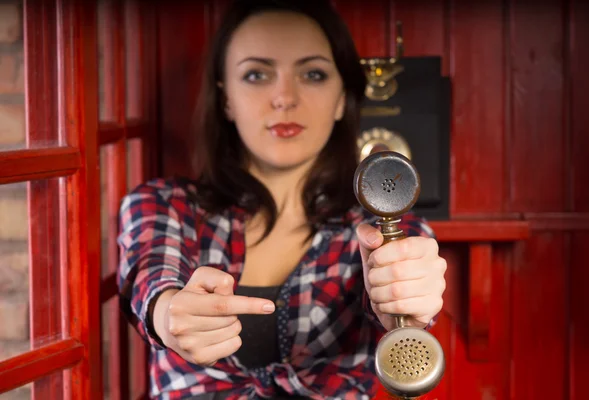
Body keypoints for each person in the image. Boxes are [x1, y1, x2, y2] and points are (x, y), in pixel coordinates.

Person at [117, 0, 446, 399]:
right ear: (225, 99)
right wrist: (169, 314)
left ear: (343, 96)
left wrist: (406, 301)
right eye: (256, 74)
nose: (283, 98)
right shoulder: (165, 204)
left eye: (313, 73)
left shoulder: (386, 229)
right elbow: (154, 275)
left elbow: (402, 299)